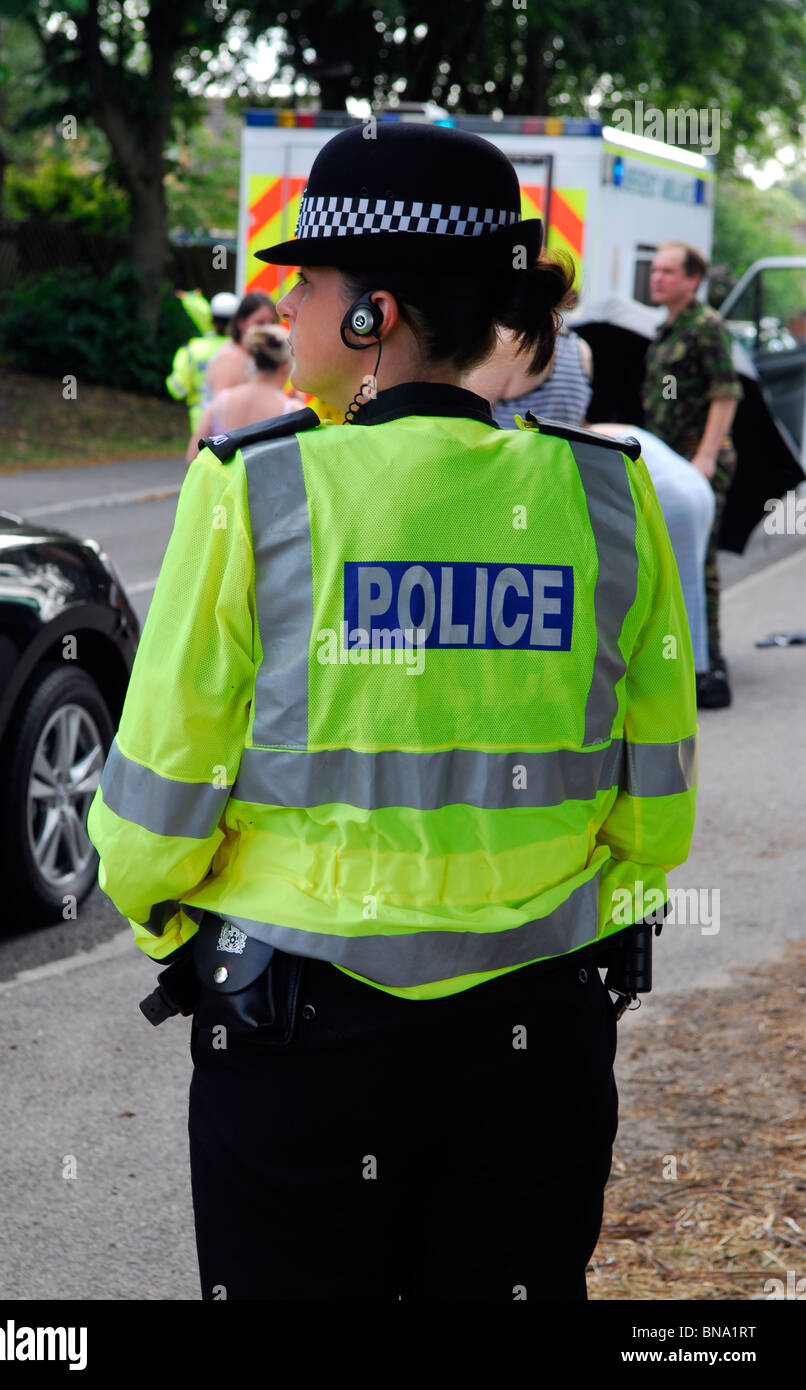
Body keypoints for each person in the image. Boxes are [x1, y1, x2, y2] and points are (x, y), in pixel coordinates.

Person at [87, 122, 698, 1301]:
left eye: (307, 282)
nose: (289, 307)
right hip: (542, 1041)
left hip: (301, 1043)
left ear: (375, 316)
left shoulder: (252, 490)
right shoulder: (606, 494)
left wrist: (183, 941)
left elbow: (153, 812)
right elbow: (655, 808)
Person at [642, 240, 743, 709]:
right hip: (667, 459)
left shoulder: (706, 327)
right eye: (655, 270)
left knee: (699, 563)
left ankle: (710, 665)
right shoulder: (664, 329)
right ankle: (677, 656)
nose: (656, 277)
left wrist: (704, 457)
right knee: (671, 558)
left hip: (697, 458)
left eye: (667, 271)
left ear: (691, 279)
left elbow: (726, 393)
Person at [589, 424, 715, 677]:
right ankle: (695, 671)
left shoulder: (586, 440)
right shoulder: (609, 429)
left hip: (672, 497)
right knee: (686, 588)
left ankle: (675, 674)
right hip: (696, 488)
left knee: (666, 592)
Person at [187, 323, 304, 464]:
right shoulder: (293, 411)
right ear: (286, 367)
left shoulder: (220, 401)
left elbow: (192, 458)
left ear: (253, 361)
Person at [469, 322, 593, 427]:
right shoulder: (581, 348)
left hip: (512, 454)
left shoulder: (510, 346)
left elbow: (471, 421)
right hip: (562, 454)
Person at [165, 291, 238, 433]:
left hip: (200, 414)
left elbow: (178, 389)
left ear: (212, 319)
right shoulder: (243, 349)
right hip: (236, 414)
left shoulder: (192, 349)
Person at [203, 291, 280, 400]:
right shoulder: (230, 359)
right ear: (241, 323)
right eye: (260, 322)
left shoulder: (253, 355)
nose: (268, 329)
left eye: (272, 323)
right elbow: (222, 410)